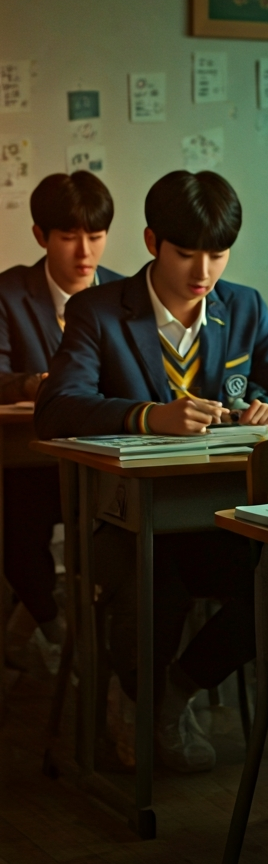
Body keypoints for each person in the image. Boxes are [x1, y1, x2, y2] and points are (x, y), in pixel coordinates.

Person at [35, 171, 268, 771]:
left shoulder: (244, 307)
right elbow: (55, 409)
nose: (204, 271)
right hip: (121, 523)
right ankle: (137, 699)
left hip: (218, 515)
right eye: (186, 253)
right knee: (154, 580)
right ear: (153, 242)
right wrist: (148, 416)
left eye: (219, 254)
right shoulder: (99, 311)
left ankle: (175, 692)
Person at [0, 171, 120, 662]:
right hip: (32, 460)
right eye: (69, 237)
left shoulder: (123, 293)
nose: (84, 253)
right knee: (18, 527)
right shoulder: (9, 292)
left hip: (104, 457)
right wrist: (33, 383)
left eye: (96, 236)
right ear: (40, 236)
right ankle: (51, 626)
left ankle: (82, 642)